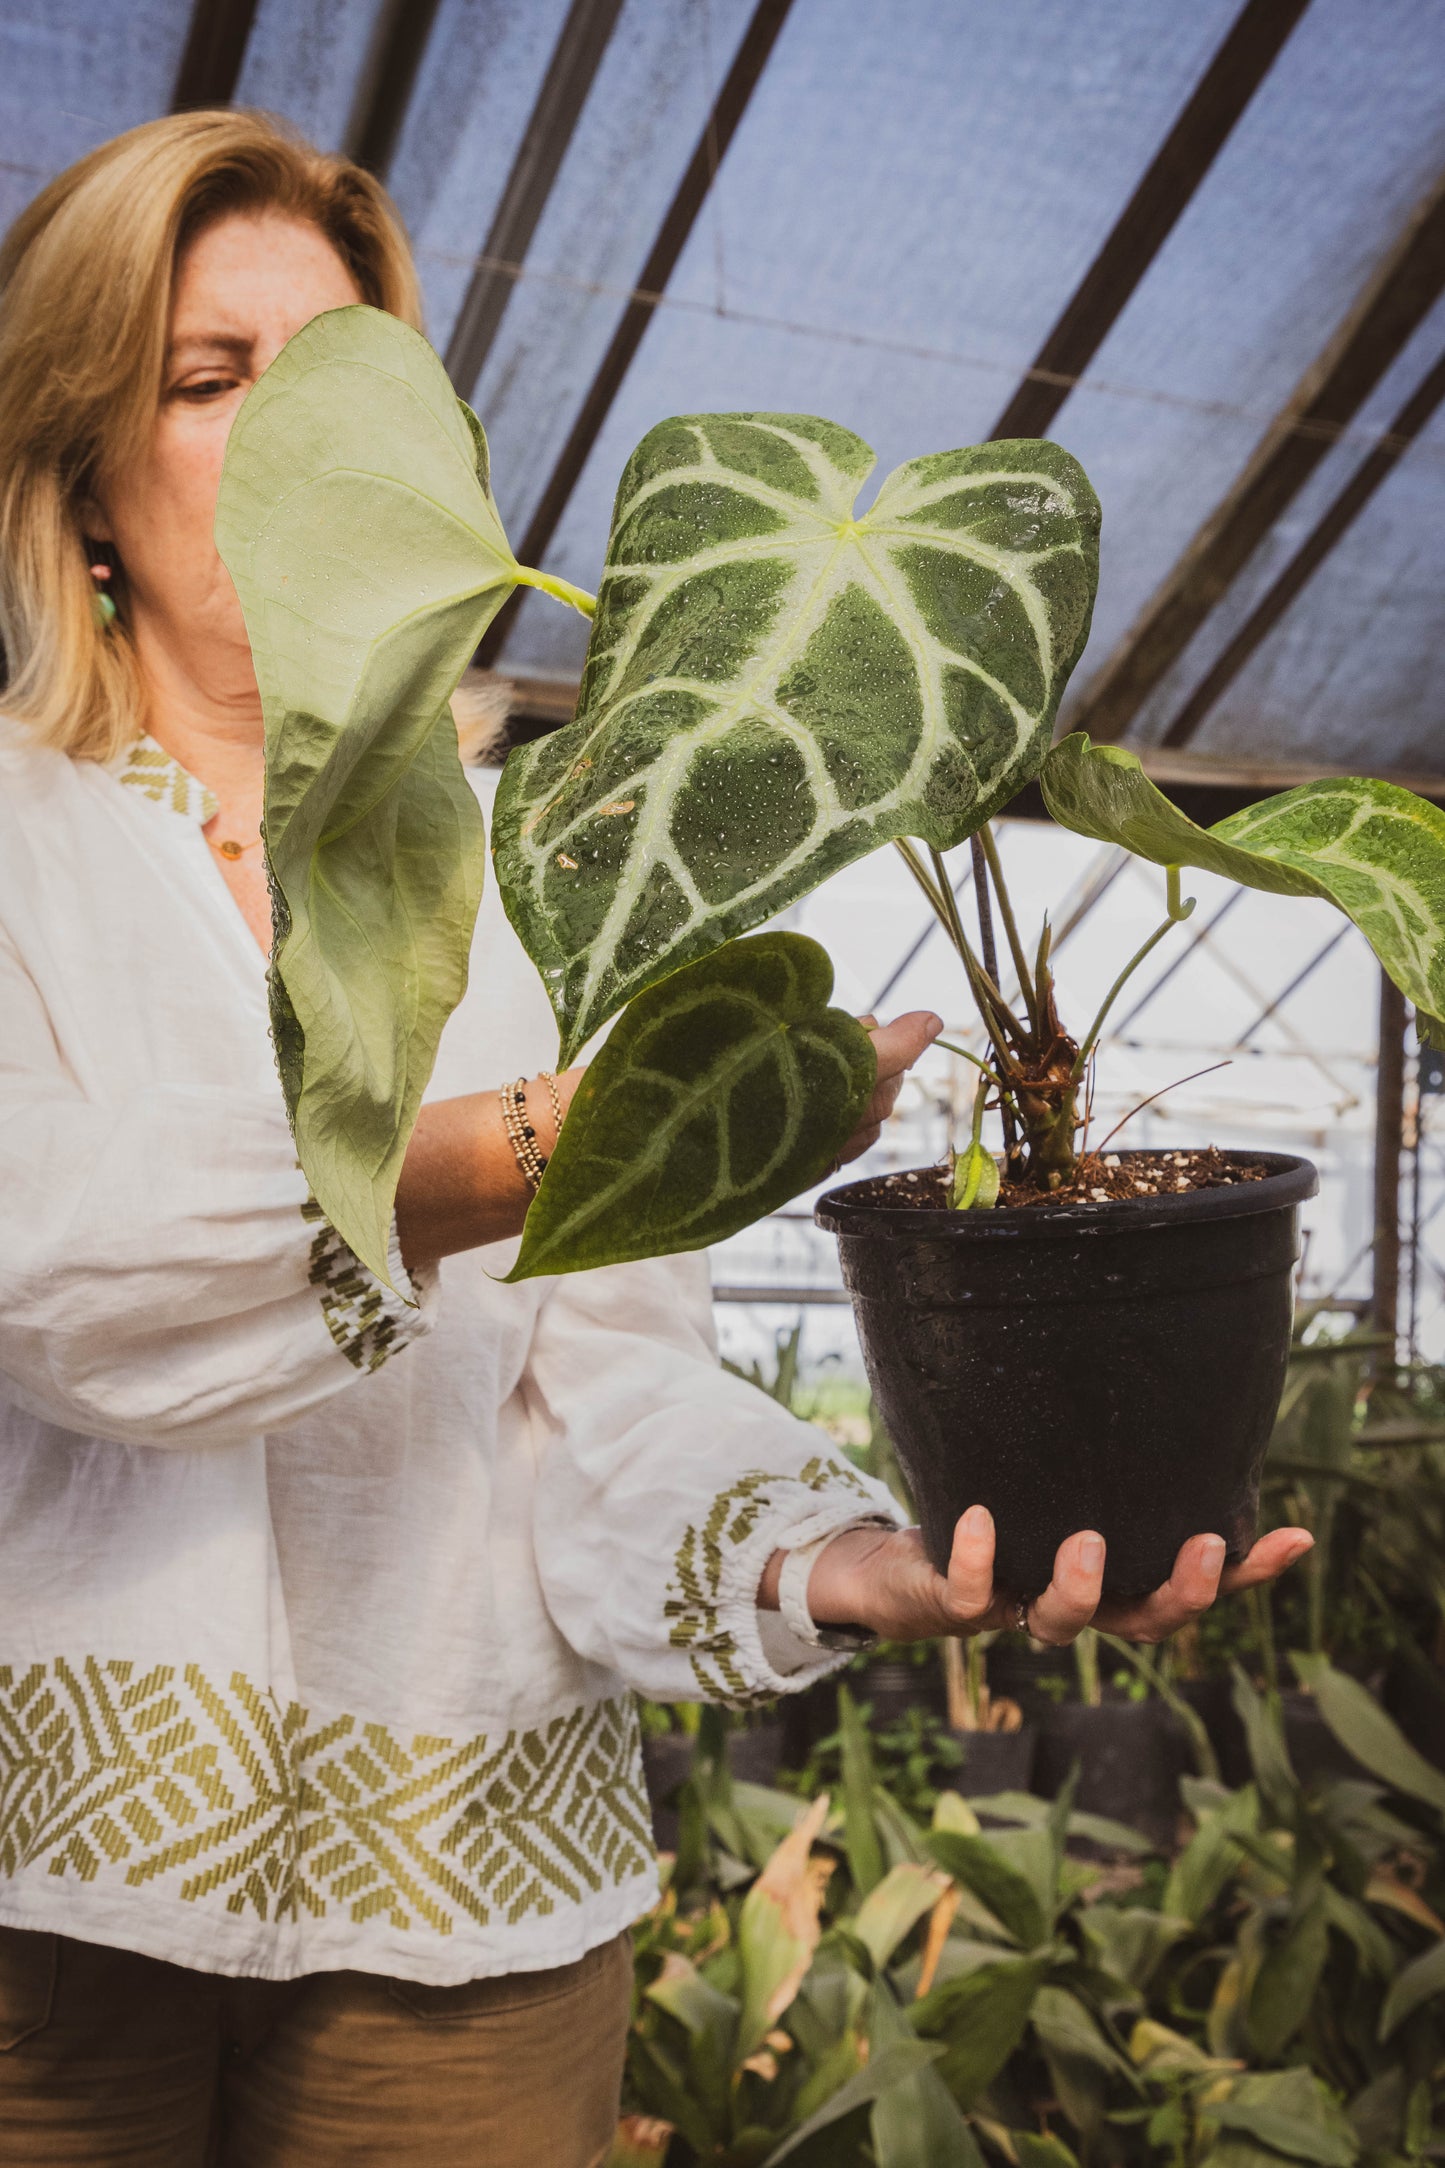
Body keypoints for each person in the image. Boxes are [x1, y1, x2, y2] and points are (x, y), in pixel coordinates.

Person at [0, 109, 1311, 2168]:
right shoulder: (18, 837)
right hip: (43, 1914)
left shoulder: (551, 872)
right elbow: (50, 1268)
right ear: (77, 462)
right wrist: (530, 1150)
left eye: (341, 376)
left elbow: (595, 1404)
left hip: (472, 1911)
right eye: (208, 378)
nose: (296, 435)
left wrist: (835, 1551)